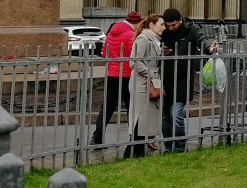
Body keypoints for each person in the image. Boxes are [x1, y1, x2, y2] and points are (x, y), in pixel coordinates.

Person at [158, 8, 217, 153]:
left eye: (173, 25)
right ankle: (167, 146)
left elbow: (201, 40)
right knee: (165, 116)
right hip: (164, 77)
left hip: (183, 77)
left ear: (180, 20)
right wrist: (161, 51)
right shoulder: (163, 30)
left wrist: (209, 48)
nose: (170, 28)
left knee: (176, 114)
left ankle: (179, 146)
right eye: (167, 25)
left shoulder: (192, 29)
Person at [91, 10, 141, 147]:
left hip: (112, 74)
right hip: (127, 75)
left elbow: (104, 53)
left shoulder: (111, 33)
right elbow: (134, 55)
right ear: (135, 23)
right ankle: (135, 138)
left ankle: (97, 136)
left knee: (107, 107)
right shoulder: (131, 35)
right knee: (132, 107)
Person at [125, 14, 164, 159]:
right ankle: (133, 152)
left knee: (145, 119)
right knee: (139, 118)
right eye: (161, 24)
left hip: (150, 81)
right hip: (142, 83)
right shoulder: (143, 38)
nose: (164, 28)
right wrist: (151, 73)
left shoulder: (154, 40)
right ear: (152, 25)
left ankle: (136, 152)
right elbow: (134, 61)